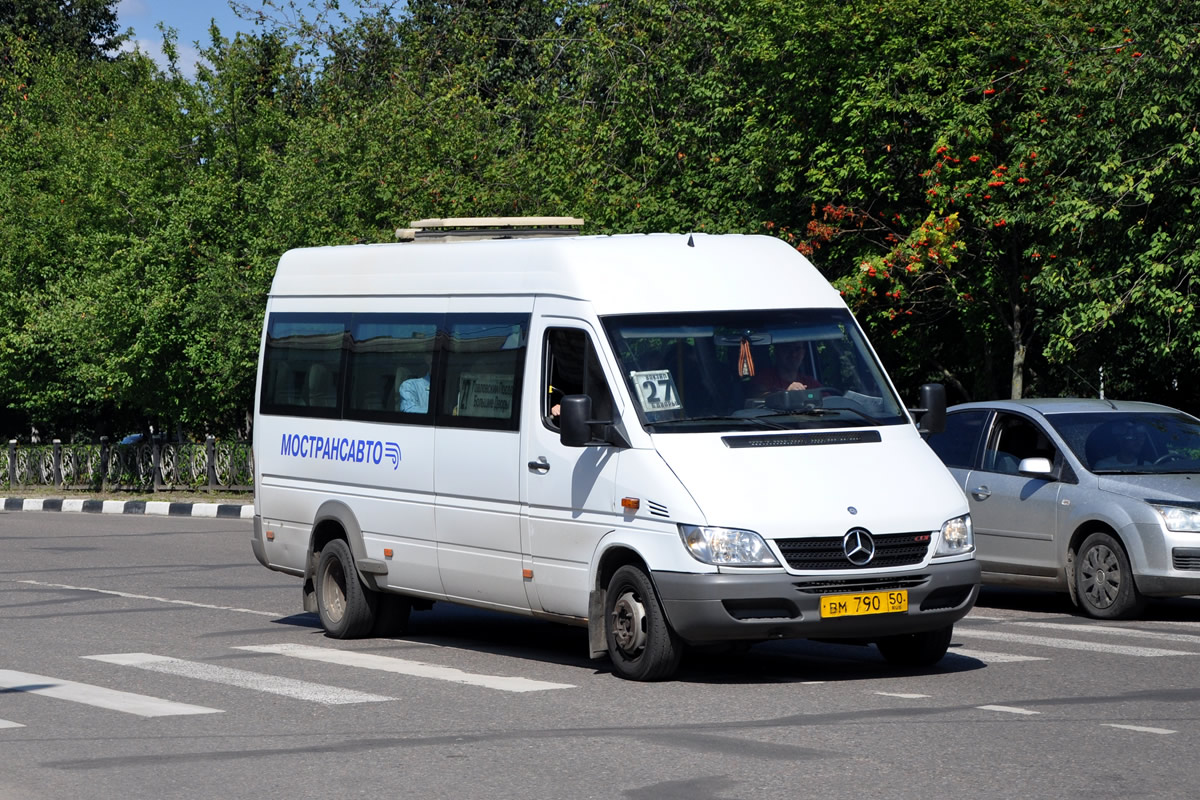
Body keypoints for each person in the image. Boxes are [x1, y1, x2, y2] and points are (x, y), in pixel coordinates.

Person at [753, 341, 820, 393]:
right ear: (776, 351)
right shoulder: (764, 380)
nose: (793, 354)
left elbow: (828, 401)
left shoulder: (810, 383)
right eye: (787, 348)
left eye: (797, 349)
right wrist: (787, 395)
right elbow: (757, 400)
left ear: (803, 353)